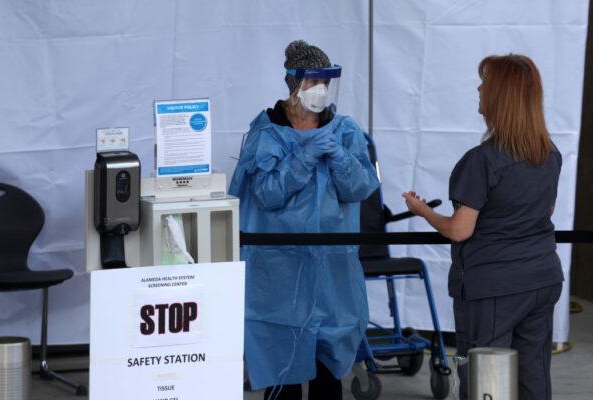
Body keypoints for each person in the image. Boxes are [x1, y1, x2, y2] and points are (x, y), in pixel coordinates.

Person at [402, 54, 563, 400]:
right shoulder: (550, 154)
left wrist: (422, 211)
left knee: (472, 362)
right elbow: (545, 210)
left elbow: (460, 230)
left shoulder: (482, 161)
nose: (478, 88)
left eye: (485, 84)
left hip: (492, 289)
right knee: (533, 367)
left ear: (500, 97)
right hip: (542, 280)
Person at [229, 40, 379, 400]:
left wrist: (338, 156)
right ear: (293, 83)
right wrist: (304, 158)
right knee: (284, 368)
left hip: (332, 271)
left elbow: (361, 187)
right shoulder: (266, 133)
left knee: (328, 368)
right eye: (314, 82)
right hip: (280, 271)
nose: (320, 91)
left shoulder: (344, 131)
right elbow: (266, 193)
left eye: (326, 82)